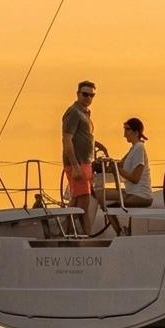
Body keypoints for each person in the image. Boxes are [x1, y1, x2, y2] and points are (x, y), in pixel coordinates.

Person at [61, 80, 107, 234]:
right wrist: (75, 166)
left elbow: (83, 136)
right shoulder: (74, 112)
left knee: (77, 201)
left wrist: (99, 146)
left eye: (92, 95)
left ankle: (72, 233)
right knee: (83, 204)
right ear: (78, 94)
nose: (88, 98)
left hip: (85, 162)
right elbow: (67, 139)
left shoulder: (85, 113)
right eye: (85, 94)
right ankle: (81, 235)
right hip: (78, 163)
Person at [104, 117, 153, 208]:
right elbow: (120, 164)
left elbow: (135, 178)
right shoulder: (133, 148)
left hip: (141, 196)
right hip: (130, 193)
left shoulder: (139, 148)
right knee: (100, 193)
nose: (124, 134)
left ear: (136, 132)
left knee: (110, 207)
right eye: (124, 129)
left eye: (127, 129)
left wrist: (117, 169)